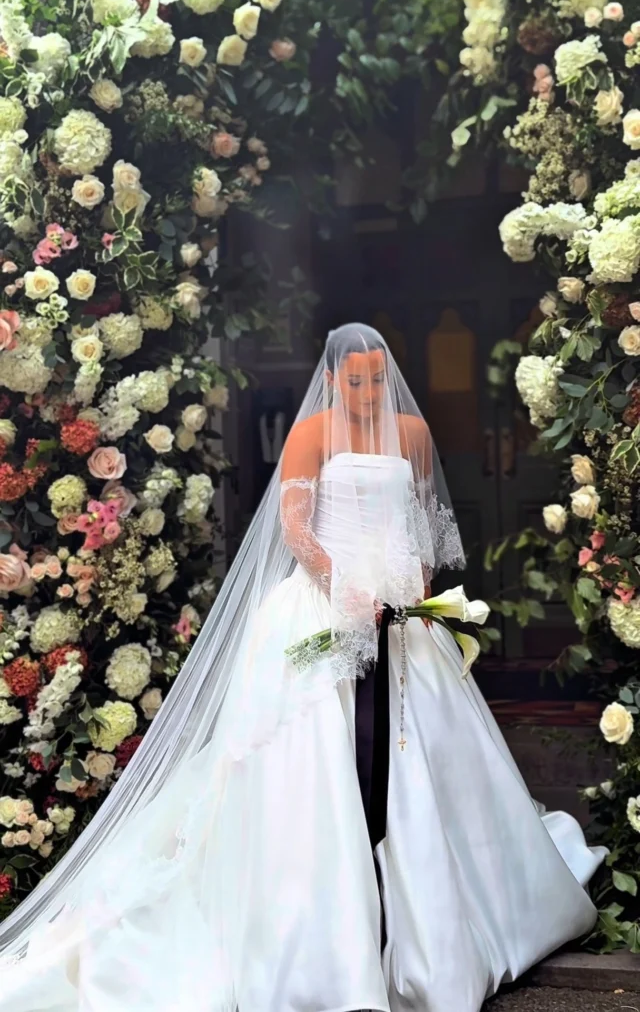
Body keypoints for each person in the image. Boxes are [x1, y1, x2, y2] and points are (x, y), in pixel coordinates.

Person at [0, 323, 606, 1012]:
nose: (368, 392)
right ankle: (322, 935)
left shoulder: (409, 431)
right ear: (334, 377)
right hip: (323, 609)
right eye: (356, 380)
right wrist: (342, 584)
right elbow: (296, 525)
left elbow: (425, 523)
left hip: (400, 614)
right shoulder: (313, 431)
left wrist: (414, 588)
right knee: (308, 752)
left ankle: (441, 917)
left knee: (430, 755)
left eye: (378, 378)